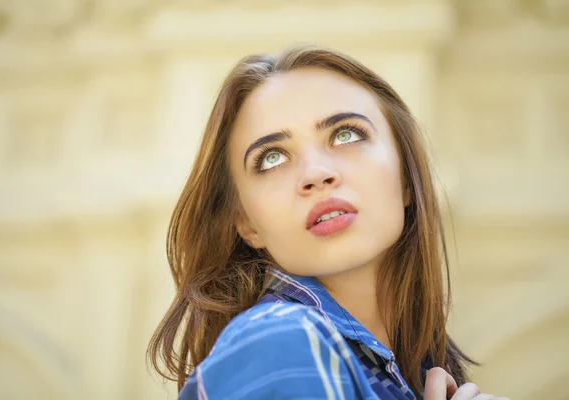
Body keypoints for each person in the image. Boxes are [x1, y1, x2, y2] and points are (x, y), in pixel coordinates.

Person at [148, 46, 508, 400]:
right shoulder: (282, 340)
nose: (316, 174)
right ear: (246, 223)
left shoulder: (411, 372)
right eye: (272, 158)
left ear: (406, 177)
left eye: (345, 134)